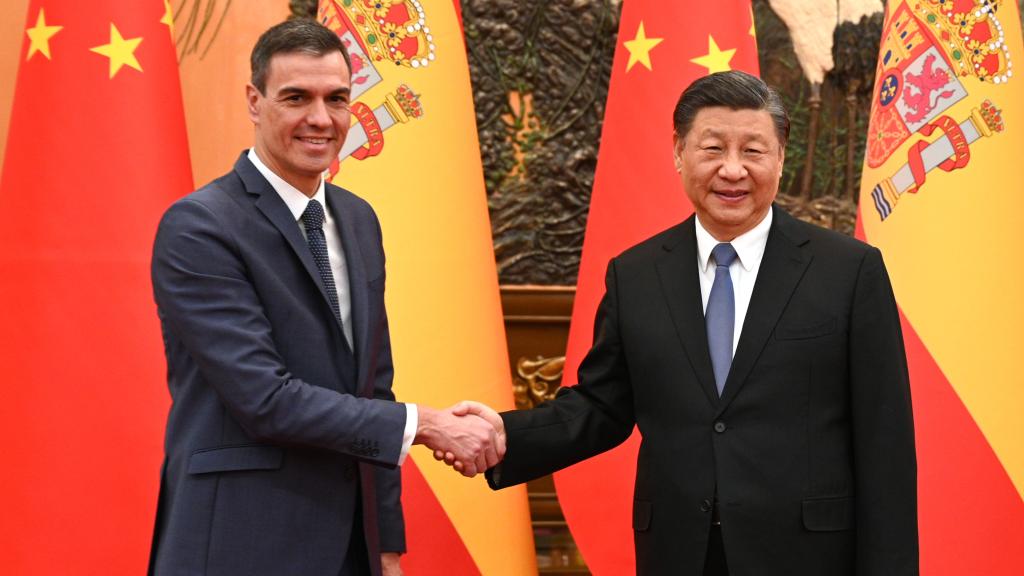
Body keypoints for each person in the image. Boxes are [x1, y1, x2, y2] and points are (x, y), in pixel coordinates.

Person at [450, 71, 918, 575]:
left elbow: (884, 446)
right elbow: (600, 407)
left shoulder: (848, 271)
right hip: (679, 554)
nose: (732, 170)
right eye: (712, 148)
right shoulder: (636, 275)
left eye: (753, 151)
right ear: (679, 152)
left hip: (807, 557)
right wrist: (504, 434)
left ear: (781, 157)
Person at [148, 20, 501, 576]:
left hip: (348, 551)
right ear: (254, 101)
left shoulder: (358, 220)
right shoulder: (199, 227)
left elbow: (373, 387)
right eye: (296, 98)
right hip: (239, 545)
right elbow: (265, 399)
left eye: (337, 99)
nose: (321, 118)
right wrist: (427, 424)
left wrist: (385, 546)